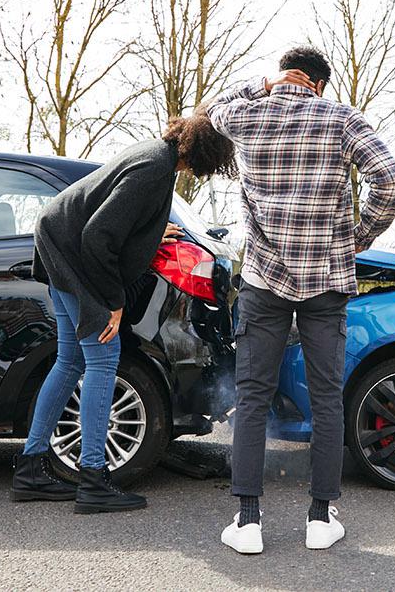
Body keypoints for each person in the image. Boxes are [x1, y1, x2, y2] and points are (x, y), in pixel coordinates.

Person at [207, 46, 395, 553]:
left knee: (252, 397)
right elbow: (390, 178)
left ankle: (247, 521)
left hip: (264, 278)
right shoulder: (340, 117)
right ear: (320, 83)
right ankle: (320, 517)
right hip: (326, 278)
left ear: (283, 76)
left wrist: (259, 87)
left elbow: (210, 110)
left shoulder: (248, 114)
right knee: (325, 398)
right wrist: (360, 235)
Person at [12, 113, 235, 514]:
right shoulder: (155, 168)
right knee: (103, 357)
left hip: (59, 242)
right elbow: (99, 236)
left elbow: (116, 219)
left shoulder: (155, 155)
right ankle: (94, 479)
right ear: (208, 153)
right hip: (74, 254)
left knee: (70, 360)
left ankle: (30, 468)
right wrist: (113, 302)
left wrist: (151, 233)